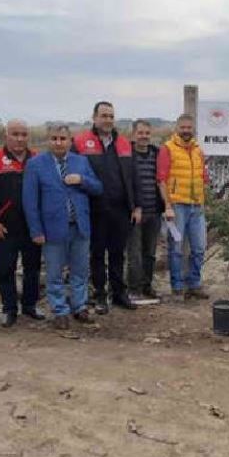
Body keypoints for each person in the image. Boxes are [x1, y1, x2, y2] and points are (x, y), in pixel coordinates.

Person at [23, 124, 103, 329]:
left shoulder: (81, 161)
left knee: (80, 271)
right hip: (52, 229)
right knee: (54, 273)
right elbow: (30, 202)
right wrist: (36, 230)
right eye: (54, 138)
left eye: (63, 139)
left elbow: (98, 187)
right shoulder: (35, 164)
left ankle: (80, 306)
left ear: (70, 141)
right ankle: (60, 310)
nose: (58, 142)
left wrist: (82, 180)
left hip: (80, 226)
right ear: (48, 140)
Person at [73, 101, 142, 314]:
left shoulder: (123, 143)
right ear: (94, 118)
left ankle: (119, 293)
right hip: (94, 209)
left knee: (117, 254)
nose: (108, 120)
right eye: (104, 116)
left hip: (121, 209)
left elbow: (134, 177)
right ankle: (100, 295)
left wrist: (137, 206)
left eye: (111, 116)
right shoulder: (81, 143)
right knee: (96, 253)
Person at [0, 119, 44, 327]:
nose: (20, 139)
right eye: (15, 134)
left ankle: (30, 305)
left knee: (32, 268)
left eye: (24, 134)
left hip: (32, 226)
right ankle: (8, 308)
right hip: (4, 227)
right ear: (6, 136)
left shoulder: (37, 159)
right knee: (6, 269)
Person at [157, 114, 209, 302]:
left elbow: (204, 178)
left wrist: (204, 200)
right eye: (183, 128)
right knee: (176, 248)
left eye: (189, 127)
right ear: (177, 128)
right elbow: (162, 180)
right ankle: (177, 286)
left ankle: (194, 284)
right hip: (177, 206)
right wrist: (167, 206)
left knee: (199, 247)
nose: (186, 131)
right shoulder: (167, 149)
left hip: (197, 206)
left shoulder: (198, 150)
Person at [126, 120, 164, 299]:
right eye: (140, 133)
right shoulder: (126, 155)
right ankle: (134, 289)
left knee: (149, 253)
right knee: (134, 253)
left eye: (147, 133)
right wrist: (134, 206)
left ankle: (146, 285)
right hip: (134, 212)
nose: (144, 136)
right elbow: (126, 185)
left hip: (154, 211)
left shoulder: (157, 154)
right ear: (134, 134)